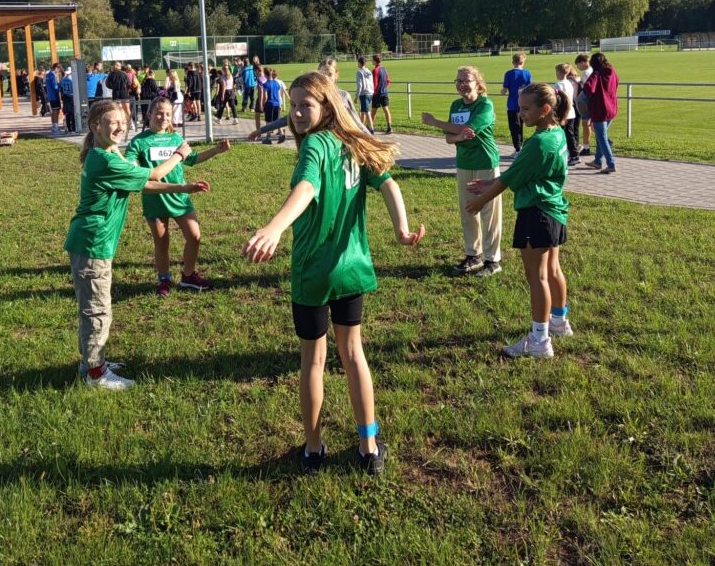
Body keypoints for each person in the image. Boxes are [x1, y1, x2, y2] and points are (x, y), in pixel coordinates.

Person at [243, 71, 425, 475]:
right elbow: (389, 184)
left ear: (326, 106)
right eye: (292, 105)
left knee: (314, 361)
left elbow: (306, 188)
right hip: (352, 269)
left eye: (305, 105)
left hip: (314, 272)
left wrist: (274, 227)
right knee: (354, 354)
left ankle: (313, 450)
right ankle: (368, 447)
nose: (296, 113)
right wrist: (401, 228)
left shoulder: (315, 145)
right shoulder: (354, 144)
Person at [65, 100, 210, 389]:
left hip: (92, 242)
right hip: (93, 243)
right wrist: (180, 155)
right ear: (95, 126)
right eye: (113, 122)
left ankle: (91, 362)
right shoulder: (105, 161)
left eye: (123, 122)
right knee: (97, 309)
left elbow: (143, 182)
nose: (120, 127)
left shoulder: (106, 155)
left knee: (94, 307)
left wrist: (184, 187)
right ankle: (96, 374)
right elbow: (153, 175)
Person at [465, 82, 571, 359]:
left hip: (536, 213)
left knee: (537, 277)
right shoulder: (556, 133)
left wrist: (480, 200)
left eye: (525, 109)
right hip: (554, 210)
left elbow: (510, 179)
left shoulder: (538, 143)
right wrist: (489, 182)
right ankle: (559, 322)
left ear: (545, 109)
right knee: (553, 270)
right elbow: (523, 173)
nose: (520, 114)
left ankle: (539, 340)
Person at [126, 96, 231, 295]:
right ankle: (164, 280)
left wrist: (216, 150)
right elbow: (133, 168)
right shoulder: (138, 142)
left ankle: (188, 276)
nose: (163, 118)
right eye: (159, 113)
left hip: (180, 197)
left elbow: (192, 159)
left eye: (168, 114)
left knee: (194, 236)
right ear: (149, 114)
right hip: (155, 199)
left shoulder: (175, 139)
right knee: (162, 243)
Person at [421, 65, 502, 278]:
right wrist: (458, 137)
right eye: (458, 80)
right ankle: (473, 255)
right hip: (464, 163)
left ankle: (493, 260)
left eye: (466, 80)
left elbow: (469, 128)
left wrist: (435, 122)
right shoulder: (456, 105)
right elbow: (450, 137)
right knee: (468, 210)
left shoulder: (485, 104)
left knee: (489, 212)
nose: (462, 84)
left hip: (485, 162)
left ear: (478, 83)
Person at [581, 52, 619, 174]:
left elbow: (588, 88)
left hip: (599, 109)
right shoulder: (612, 72)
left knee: (602, 138)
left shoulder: (596, 73)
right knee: (600, 136)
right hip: (611, 108)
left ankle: (611, 163)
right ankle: (597, 161)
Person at [501, 52, 532, 155]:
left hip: (513, 104)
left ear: (513, 62)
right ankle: (520, 147)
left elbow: (504, 90)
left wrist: (502, 91)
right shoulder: (527, 73)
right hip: (525, 104)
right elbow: (530, 88)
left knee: (514, 127)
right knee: (521, 126)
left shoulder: (509, 74)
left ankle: (518, 149)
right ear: (523, 62)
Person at [554, 63, 580, 165]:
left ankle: (571, 155)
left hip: (563, 113)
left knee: (562, 134)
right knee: (570, 134)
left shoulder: (558, 84)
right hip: (571, 112)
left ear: (559, 72)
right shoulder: (569, 83)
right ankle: (573, 154)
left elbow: (558, 99)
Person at [574, 54, 593, 156]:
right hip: (590, 102)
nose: (578, 68)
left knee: (586, 124)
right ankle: (586, 147)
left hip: (587, 102)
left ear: (582, 62)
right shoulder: (592, 70)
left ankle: (586, 147)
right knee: (589, 124)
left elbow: (587, 88)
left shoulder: (586, 73)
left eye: (578, 65)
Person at [259, 67, 284, 144]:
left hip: (269, 104)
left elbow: (265, 97)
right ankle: (282, 134)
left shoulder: (265, 84)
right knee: (277, 121)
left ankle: (268, 138)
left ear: (265, 75)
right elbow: (278, 94)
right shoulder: (276, 83)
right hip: (277, 103)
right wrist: (280, 104)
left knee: (268, 122)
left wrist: (262, 104)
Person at [105, 62, 131, 132]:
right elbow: (129, 83)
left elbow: (107, 84)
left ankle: (120, 124)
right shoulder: (124, 74)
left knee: (118, 109)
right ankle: (130, 123)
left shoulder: (111, 74)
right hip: (124, 93)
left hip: (116, 93)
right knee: (127, 109)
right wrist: (126, 88)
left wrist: (113, 87)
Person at [371, 54, 393, 134]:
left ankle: (370, 127)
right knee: (386, 109)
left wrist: (373, 92)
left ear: (375, 61)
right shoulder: (384, 69)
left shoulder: (375, 70)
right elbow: (388, 81)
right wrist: (385, 88)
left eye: (372, 60)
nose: (371, 61)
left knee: (373, 111)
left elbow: (375, 83)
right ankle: (389, 127)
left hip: (377, 94)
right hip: (384, 93)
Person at [356, 56, 375, 134]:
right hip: (370, 92)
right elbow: (372, 82)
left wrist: (357, 96)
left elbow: (360, 85)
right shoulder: (369, 71)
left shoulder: (359, 72)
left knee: (367, 112)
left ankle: (371, 129)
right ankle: (361, 127)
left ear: (360, 63)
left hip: (364, 94)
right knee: (363, 111)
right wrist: (372, 91)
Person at [45, 62, 62, 134]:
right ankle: (55, 127)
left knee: (53, 111)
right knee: (56, 111)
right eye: (59, 69)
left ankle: (53, 126)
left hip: (50, 95)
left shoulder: (48, 74)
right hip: (54, 95)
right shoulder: (53, 75)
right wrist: (59, 86)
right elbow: (55, 86)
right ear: (56, 68)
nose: (58, 71)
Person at [60, 66, 76, 132]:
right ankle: (73, 127)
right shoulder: (72, 79)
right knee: (72, 113)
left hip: (65, 97)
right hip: (71, 96)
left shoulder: (63, 79)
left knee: (67, 113)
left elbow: (61, 88)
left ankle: (68, 127)